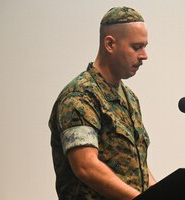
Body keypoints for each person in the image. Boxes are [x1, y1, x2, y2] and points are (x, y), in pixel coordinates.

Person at [49, 6, 156, 200]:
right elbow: (86, 166)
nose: (144, 55)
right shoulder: (80, 96)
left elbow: (137, 165)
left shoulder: (129, 97)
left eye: (145, 46)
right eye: (136, 47)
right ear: (109, 44)